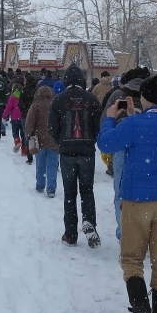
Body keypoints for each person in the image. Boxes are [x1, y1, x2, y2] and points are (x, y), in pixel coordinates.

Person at [97, 72, 157, 313]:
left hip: (136, 201)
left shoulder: (134, 124)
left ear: (144, 96)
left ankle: (140, 310)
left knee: (132, 259)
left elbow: (106, 143)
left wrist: (113, 116)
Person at [48, 64, 104, 247]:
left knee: (70, 194)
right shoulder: (92, 100)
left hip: (67, 153)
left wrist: (61, 141)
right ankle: (89, 222)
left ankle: (70, 234)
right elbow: (99, 126)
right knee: (87, 191)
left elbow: (52, 128)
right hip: (87, 151)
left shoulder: (58, 100)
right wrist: (91, 140)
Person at [104, 68, 150, 240]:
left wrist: (111, 124)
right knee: (143, 193)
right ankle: (141, 232)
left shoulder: (118, 95)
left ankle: (124, 233)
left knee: (121, 192)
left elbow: (105, 119)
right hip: (146, 148)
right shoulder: (149, 96)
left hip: (121, 145)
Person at [26, 85, 59, 196]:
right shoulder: (55, 105)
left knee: (40, 165)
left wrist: (29, 135)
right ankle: (51, 189)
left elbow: (29, 122)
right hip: (54, 140)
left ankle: (40, 186)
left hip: (39, 141)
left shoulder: (36, 105)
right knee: (52, 165)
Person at [92, 71, 114, 175]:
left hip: (100, 112)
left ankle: (103, 147)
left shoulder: (96, 87)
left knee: (102, 130)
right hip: (112, 112)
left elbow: (92, 99)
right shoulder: (113, 87)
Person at [3, 86, 25, 152]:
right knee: (23, 134)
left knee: (15, 132)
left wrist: (4, 116)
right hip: (23, 116)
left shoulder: (13, 96)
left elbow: (9, 107)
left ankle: (17, 142)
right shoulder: (24, 96)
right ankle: (24, 150)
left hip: (15, 117)